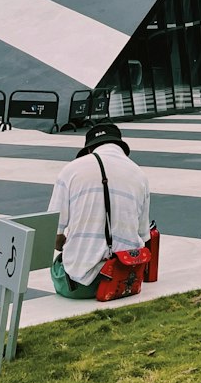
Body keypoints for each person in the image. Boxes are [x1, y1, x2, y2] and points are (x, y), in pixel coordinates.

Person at [48, 122, 151, 299]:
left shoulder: (71, 170)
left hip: (81, 286)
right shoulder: (140, 175)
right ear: (120, 147)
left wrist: (68, 246)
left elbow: (51, 232)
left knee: (59, 264)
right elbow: (144, 236)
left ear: (89, 150)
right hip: (126, 279)